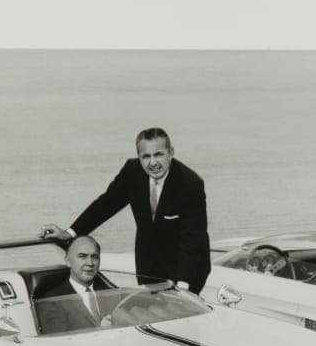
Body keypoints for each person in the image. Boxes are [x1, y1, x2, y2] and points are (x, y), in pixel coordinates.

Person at [40, 127, 211, 293]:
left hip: (188, 270)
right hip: (148, 267)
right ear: (139, 157)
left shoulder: (190, 185)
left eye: (158, 154)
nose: (153, 163)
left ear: (171, 152)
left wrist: (183, 287)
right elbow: (105, 204)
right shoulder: (132, 171)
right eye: (146, 156)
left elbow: (193, 241)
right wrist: (69, 233)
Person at [35, 235, 112, 334]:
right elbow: (60, 342)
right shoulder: (51, 302)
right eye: (82, 256)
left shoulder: (110, 292)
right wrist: (103, 331)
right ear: (68, 262)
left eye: (95, 257)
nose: (90, 263)